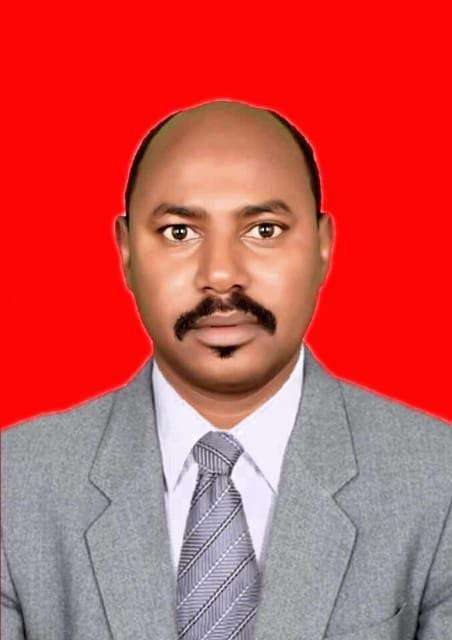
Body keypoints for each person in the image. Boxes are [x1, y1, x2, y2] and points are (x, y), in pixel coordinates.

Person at [1, 100, 451, 640]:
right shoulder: (14, 485)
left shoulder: (438, 480)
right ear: (125, 251)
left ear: (323, 246)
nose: (220, 274)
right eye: (178, 233)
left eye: (264, 229)